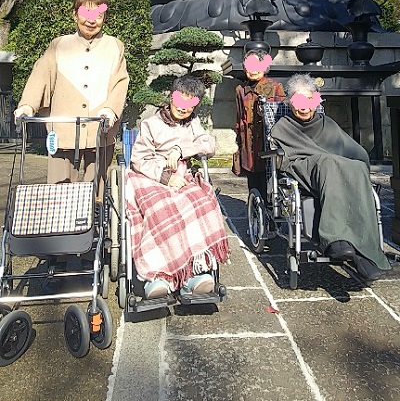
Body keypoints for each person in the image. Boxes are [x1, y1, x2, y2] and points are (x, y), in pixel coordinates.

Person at [270, 73, 392, 283]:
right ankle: (335, 240)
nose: (304, 107)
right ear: (290, 102)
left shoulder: (327, 124)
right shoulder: (283, 127)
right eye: (299, 101)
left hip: (330, 167)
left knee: (354, 167)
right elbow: (286, 157)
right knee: (329, 162)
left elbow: (355, 151)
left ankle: (365, 253)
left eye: (310, 100)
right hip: (303, 167)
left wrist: (361, 170)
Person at [14, 0, 129, 192]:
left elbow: (121, 81)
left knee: (97, 191)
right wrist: (27, 105)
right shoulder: (59, 44)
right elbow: (41, 76)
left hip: (100, 127)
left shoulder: (114, 46)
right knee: (59, 190)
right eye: (86, 14)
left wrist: (111, 109)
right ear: (75, 15)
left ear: (104, 17)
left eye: (98, 15)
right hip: (63, 128)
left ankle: (95, 212)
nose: (91, 20)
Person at [126, 75, 230, 300]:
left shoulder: (193, 123)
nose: (183, 108)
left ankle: (193, 272)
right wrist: (165, 177)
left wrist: (181, 150)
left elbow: (208, 144)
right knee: (161, 208)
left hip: (182, 176)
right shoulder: (151, 124)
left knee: (200, 204)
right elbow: (139, 160)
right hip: (150, 177)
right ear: (171, 97)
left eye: (190, 103)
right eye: (180, 100)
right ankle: (159, 276)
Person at [232, 49, 285, 201]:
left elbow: (281, 115)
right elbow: (239, 118)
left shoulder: (275, 87)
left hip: (267, 142)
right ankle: (254, 209)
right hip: (248, 145)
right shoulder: (240, 90)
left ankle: (269, 210)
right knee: (252, 182)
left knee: (269, 183)